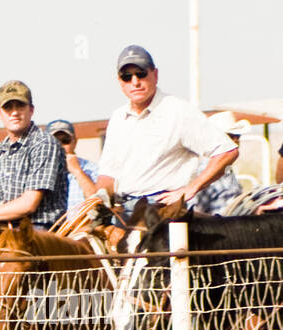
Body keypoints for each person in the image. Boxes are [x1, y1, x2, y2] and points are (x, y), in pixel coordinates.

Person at [94, 45, 238, 218]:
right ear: (120, 82)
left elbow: (227, 151)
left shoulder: (177, 110)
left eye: (141, 73)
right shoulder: (118, 117)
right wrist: (100, 197)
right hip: (124, 211)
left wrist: (190, 189)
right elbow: (108, 172)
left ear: (155, 75)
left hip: (164, 210)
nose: (135, 82)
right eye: (127, 76)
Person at [0, 80, 68, 230]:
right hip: (5, 226)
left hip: (41, 228)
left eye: (20, 106)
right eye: (8, 107)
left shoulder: (44, 143)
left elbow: (29, 204)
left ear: (31, 110)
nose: (15, 112)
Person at [191, 112, 248, 216]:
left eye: (237, 136)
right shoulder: (204, 170)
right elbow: (193, 212)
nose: (236, 141)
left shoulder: (226, 169)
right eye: (230, 136)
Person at [45, 119, 98, 217]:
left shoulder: (92, 168)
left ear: (75, 142)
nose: (60, 146)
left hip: (82, 228)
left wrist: (77, 171)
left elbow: (97, 203)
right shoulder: (41, 170)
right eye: (54, 141)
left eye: (65, 141)